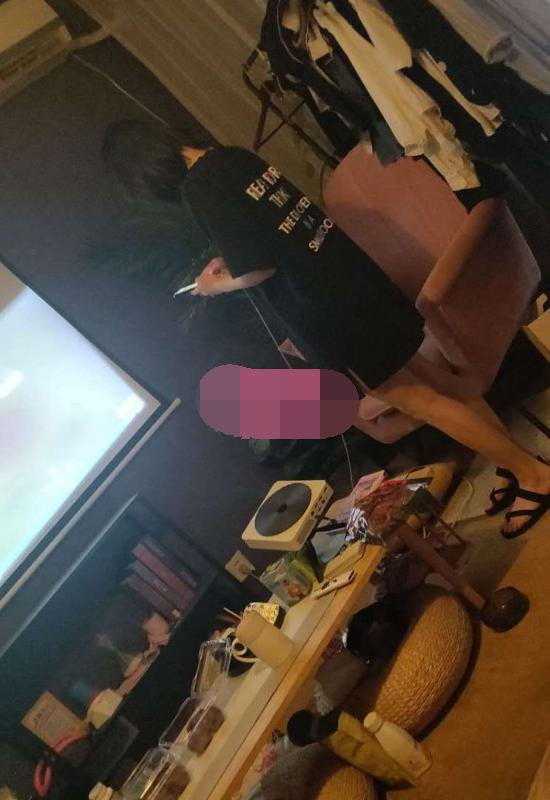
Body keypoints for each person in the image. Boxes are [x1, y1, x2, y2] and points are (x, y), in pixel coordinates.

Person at [102, 119, 550, 537]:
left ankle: (534, 475)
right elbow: (270, 232)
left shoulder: (199, 189)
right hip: (355, 279)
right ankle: (513, 459)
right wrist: (228, 261)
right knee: (436, 381)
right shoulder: (231, 157)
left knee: (420, 399)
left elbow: (258, 268)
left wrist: (212, 286)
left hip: (331, 308)